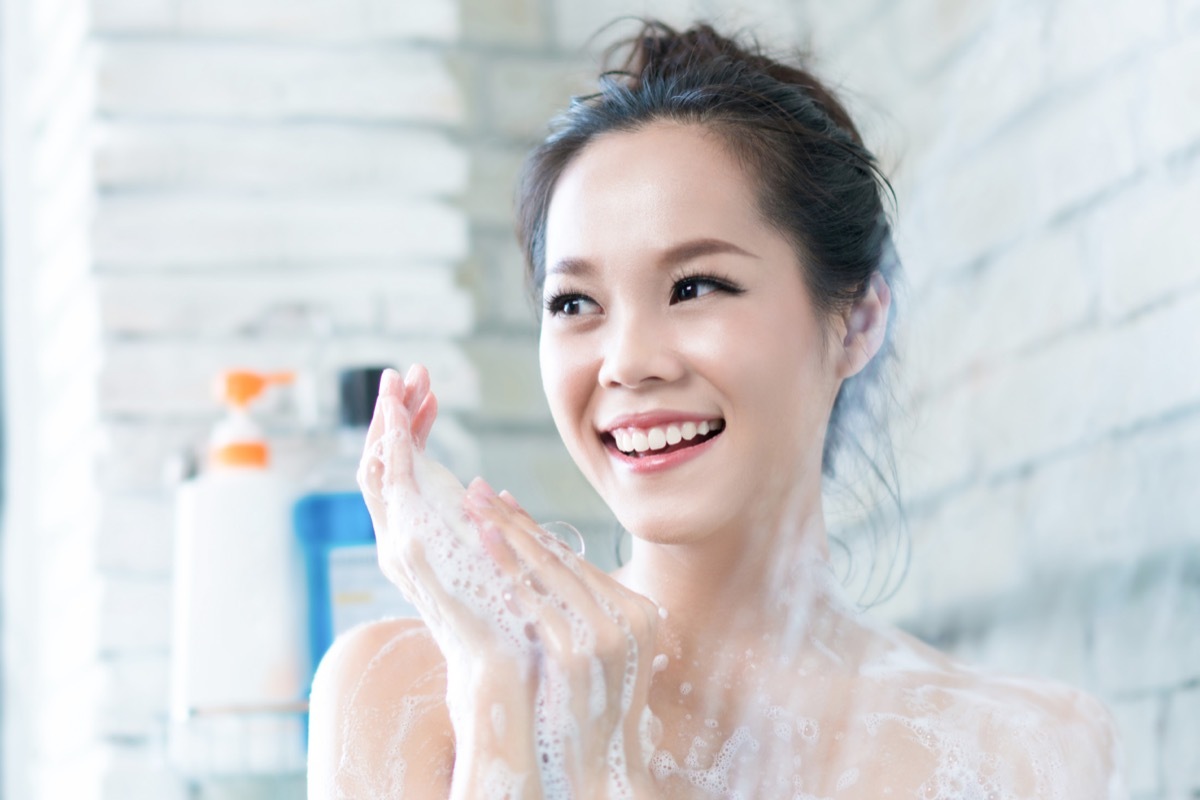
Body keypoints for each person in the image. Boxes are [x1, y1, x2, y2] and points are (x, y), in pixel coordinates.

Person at [307, 20, 1124, 799]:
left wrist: (599, 776)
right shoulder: (402, 694)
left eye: (696, 286)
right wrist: (499, 696)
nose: (627, 361)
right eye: (574, 303)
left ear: (858, 321)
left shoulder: (1030, 749)